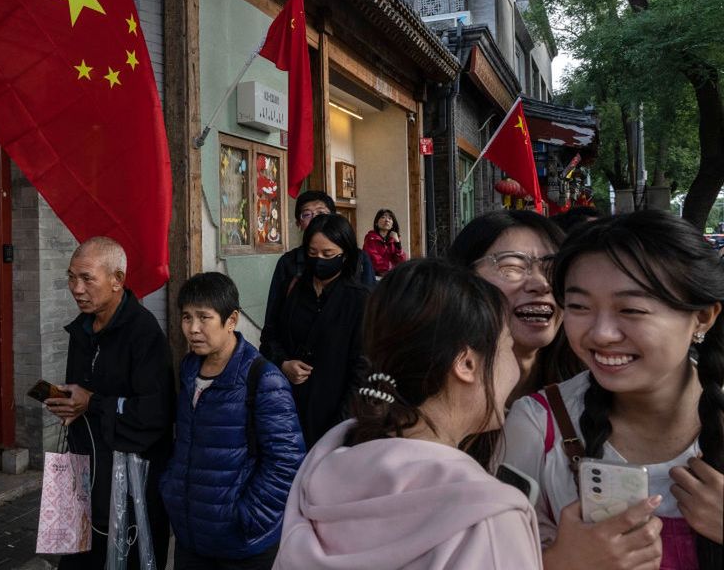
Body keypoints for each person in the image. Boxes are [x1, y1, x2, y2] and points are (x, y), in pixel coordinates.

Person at [274, 259, 542, 569]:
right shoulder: (487, 518)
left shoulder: (324, 466)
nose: (520, 365)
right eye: (509, 346)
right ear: (466, 364)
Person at [502, 210, 724, 570]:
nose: (602, 333)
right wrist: (560, 564)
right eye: (578, 307)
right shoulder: (539, 425)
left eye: (631, 309)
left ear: (702, 317)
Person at [44, 236, 175, 570]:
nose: (76, 288)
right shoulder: (83, 329)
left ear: (117, 280)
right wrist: (68, 404)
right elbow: (85, 393)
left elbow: (155, 413)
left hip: (129, 484)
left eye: (88, 278)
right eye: (71, 277)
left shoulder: (143, 333)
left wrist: (95, 404)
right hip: (85, 475)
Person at [160, 272, 306, 569]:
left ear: (231, 320)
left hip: (242, 544)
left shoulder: (263, 379)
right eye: (187, 318)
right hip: (192, 534)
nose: (193, 329)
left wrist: (249, 516)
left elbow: (287, 460)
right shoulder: (189, 368)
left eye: (204, 318)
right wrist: (171, 488)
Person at [260, 214, 369, 447]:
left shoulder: (360, 300)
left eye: (328, 254)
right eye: (312, 253)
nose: (319, 260)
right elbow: (269, 337)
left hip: (335, 417)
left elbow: (363, 369)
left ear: (346, 254)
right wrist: (283, 363)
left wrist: (340, 430)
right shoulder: (294, 289)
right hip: (287, 412)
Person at [448, 210, 582, 399]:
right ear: (464, 280)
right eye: (512, 267)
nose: (541, 284)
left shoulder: (589, 394)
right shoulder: (432, 396)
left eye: (552, 269)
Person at [263, 191, 374, 339]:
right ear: (298, 223)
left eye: (322, 213)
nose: (316, 218)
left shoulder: (358, 259)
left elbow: (371, 316)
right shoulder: (288, 262)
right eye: (307, 214)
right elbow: (272, 323)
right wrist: (283, 361)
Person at [363, 208, 407, 277]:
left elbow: (402, 260)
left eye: (390, 218)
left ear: (392, 225)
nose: (387, 220)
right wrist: (392, 268)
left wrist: (397, 242)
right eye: (383, 217)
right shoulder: (370, 238)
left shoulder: (394, 239)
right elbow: (375, 260)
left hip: (391, 276)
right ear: (376, 223)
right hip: (375, 276)